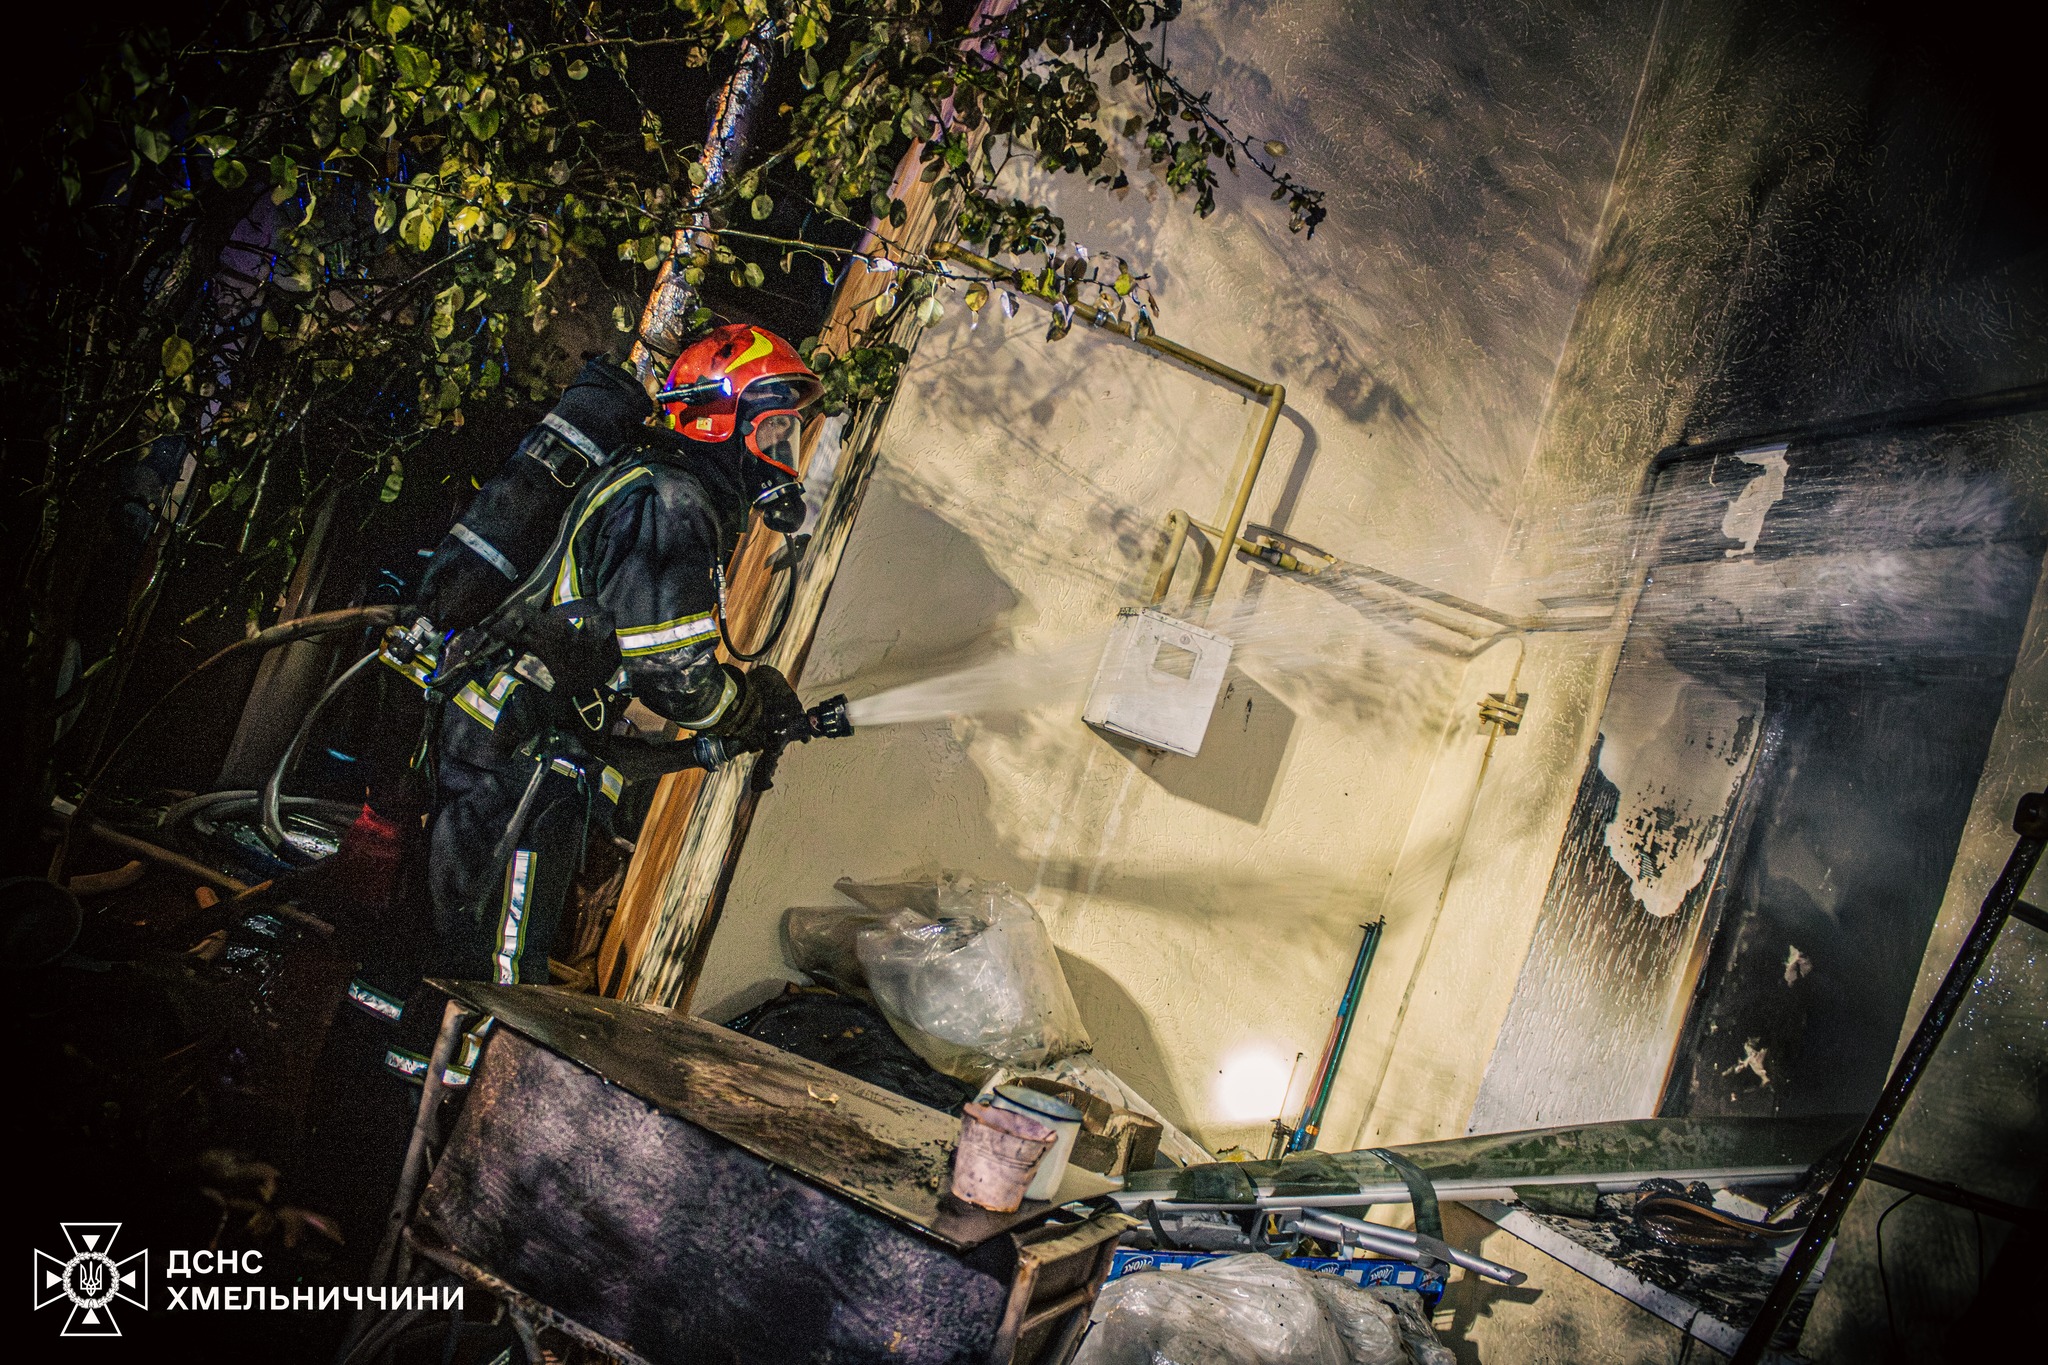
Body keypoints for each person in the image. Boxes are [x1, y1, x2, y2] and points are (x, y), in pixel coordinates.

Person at [358, 325, 824, 1081]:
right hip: (520, 755)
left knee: (459, 932)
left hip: (500, 734)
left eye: (788, 436)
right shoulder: (673, 501)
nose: (781, 453)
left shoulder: (649, 482)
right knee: (500, 968)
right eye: (770, 428)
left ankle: (400, 1085)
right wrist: (743, 708)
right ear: (720, 417)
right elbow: (673, 675)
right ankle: (453, 1107)